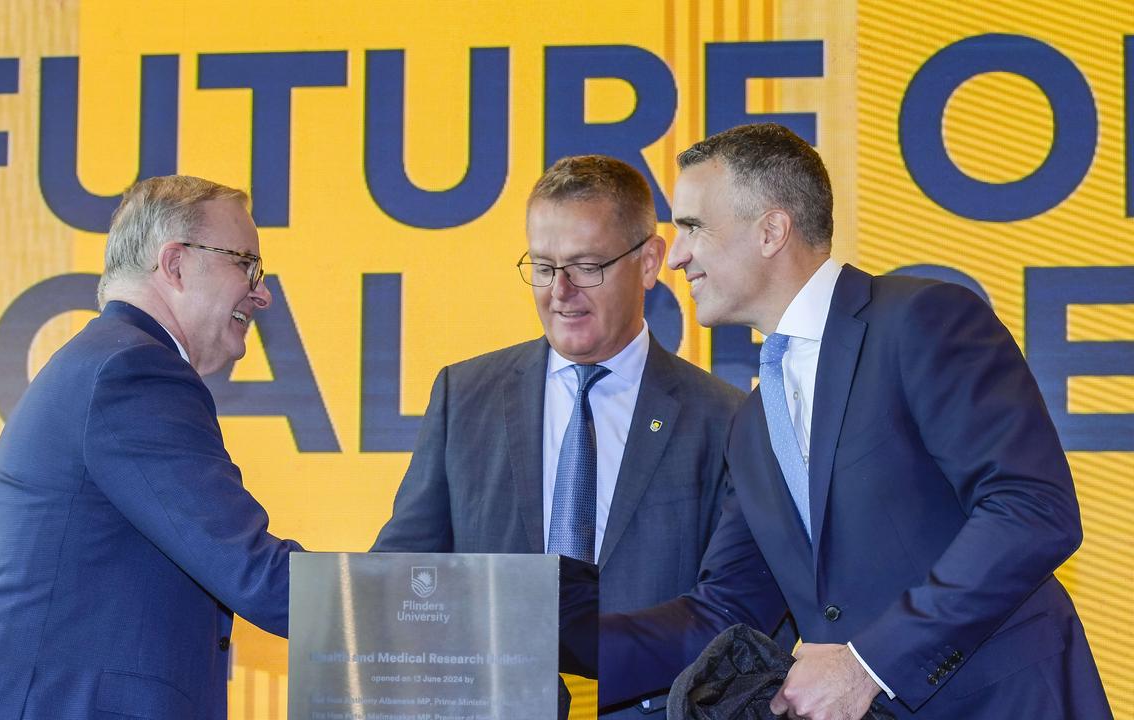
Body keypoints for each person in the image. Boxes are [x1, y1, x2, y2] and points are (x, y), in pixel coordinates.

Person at [598, 123, 1112, 719]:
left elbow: (1031, 511)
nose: (677, 255)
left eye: (691, 227)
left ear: (771, 230)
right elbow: (724, 613)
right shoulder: (755, 426)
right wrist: (545, 640)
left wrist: (869, 662)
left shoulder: (922, 320)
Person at [373, 155, 747, 719]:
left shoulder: (723, 419)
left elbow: (733, 619)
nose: (561, 291)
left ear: (649, 262)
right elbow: (402, 576)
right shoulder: (464, 395)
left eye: (586, 266)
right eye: (543, 267)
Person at [0, 176, 303, 720]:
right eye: (245, 263)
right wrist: (424, 608)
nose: (261, 291)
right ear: (175, 264)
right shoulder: (134, 371)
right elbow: (254, 572)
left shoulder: (109, 361)